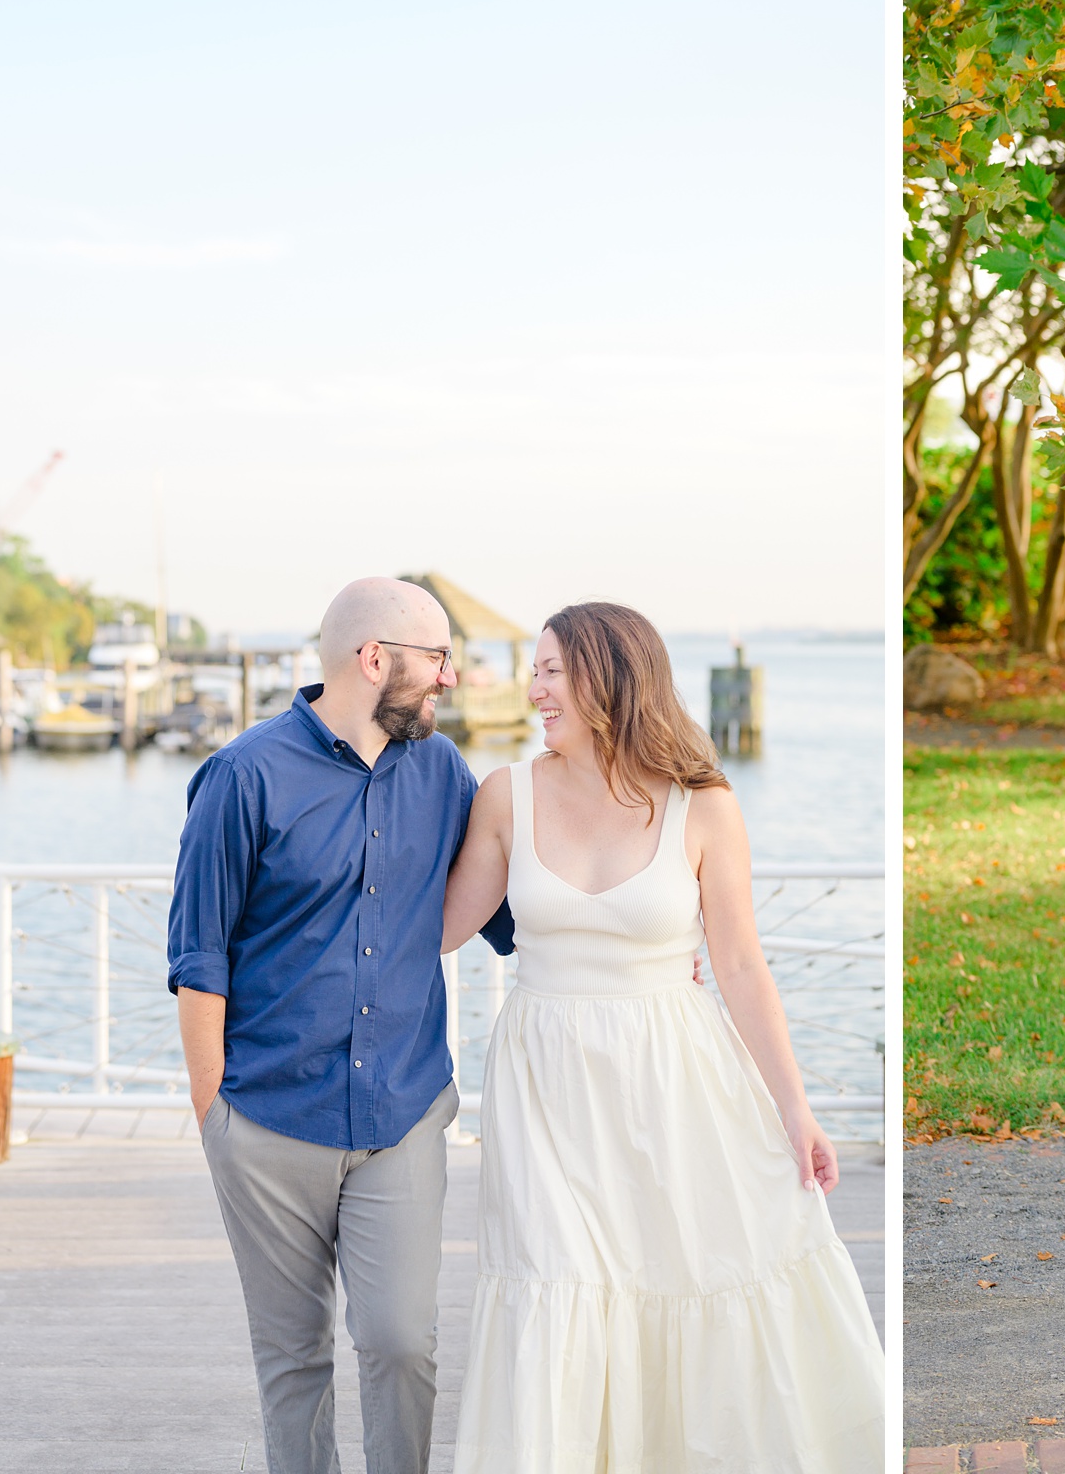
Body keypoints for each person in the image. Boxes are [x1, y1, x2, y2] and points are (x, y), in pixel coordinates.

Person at [441, 601, 883, 1472]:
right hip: (544, 1085)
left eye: (551, 672)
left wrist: (797, 1110)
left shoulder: (704, 807)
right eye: (535, 671)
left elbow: (744, 969)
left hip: (676, 1077)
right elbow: (437, 931)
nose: (533, 690)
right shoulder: (506, 795)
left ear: (610, 680)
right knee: (553, 1285)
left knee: (683, 1277)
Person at [168, 577, 510, 1474]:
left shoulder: (444, 772)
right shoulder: (243, 777)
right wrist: (217, 1119)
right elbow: (198, 960)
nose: (449, 679)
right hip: (267, 1122)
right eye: (436, 658)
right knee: (293, 1360)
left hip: (402, 1112)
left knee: (402, 1342)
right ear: (374, 660)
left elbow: (513, 916)